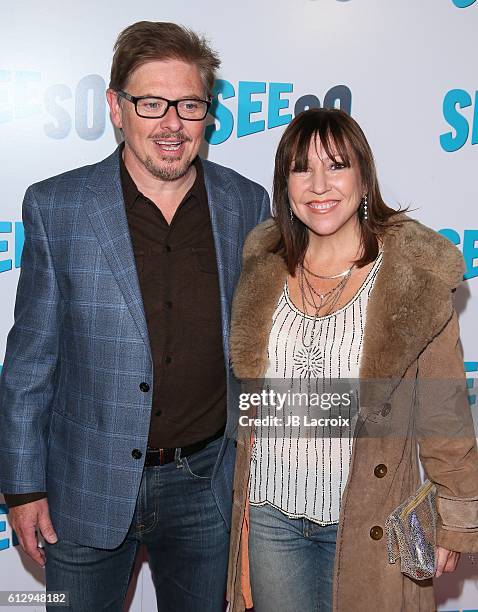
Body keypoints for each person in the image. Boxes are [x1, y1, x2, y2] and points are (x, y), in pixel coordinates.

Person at [0, 21, 270, 612]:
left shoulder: (247, 204)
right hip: (82, 486)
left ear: (208, 113)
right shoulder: (58, 206)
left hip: (206, 484)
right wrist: (22, 487)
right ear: (116, 108)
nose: (171, 124)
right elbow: (29, 363)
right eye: (151, 103)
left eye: (189, 104)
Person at [226, 108, 478, 612]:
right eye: (302, 168)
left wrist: (457, 514)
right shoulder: (263, 264)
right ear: (286, 184)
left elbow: (444, 408)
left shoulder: (412, 275)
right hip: (272, 514)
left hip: (370, 516)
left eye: (336, 165)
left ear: (364, 176)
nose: (319, 184)